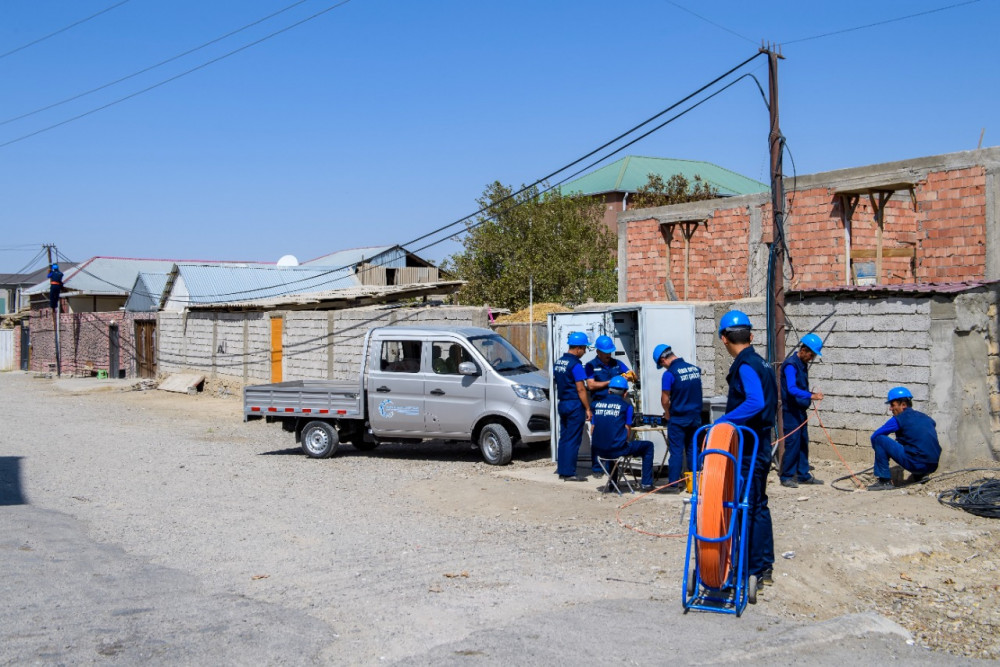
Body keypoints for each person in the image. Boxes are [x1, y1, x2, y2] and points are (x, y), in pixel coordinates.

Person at [716, 310, 777, 590]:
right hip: (761, 442)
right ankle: (763, 565)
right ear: (751, 335)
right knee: (758, 505)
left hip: (750, 447)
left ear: (723, 338)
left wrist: (723, 421)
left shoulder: (745, 365)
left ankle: (747, 571)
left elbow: (755, 403)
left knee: (745, 507)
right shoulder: (762, 362)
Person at [867, 386, 941, 491]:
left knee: (880, 440)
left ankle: (884, 481)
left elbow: (874, 437)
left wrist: (881, 455)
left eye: (893, 405)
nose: (890, 409)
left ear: (903, 405)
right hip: (933, 466)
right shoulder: (926, 418)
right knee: (914, 446)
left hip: (916, 464)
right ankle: (921, 476)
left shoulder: (898, 419)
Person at [591, 376, 655, 492]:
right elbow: (627, 429)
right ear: (625, 393)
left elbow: (593, 429)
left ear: (609, 391)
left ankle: (612, 484)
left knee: (612, 442)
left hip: (598, 450)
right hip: (616, 449)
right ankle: (646, 484)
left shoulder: (597, 405)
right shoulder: (626, 407)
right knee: (648, 446)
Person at [654, 343, 702, 493]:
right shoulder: (694, 369)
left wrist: (667, 413)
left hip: (678, 418)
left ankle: (674, 484)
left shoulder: (669, 374)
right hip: (695, 417)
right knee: (693, 450)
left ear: (663, 360)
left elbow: (665, 399)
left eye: (661, 365)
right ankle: (695, 484)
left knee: (676, 451)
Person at [778, 333, 825, 488]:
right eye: (811, 355)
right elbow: (791, 389)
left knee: (803, 441)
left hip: (800, 410)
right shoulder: (791, 365)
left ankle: (803, 474)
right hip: (791, 412)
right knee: (793, 443)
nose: (811, 358)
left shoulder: (802, 364)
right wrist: (811, 395)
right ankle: (787, 476)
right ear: (804, 350)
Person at [585, 335, 633, 476]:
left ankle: (611, 467)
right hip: (599, 405)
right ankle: (597, 467)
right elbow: (591, 385)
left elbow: (630, 374)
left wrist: (631, 376)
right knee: (597, 433)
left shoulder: (617, 364)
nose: (608, 355)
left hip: (617, 406)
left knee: (615, 433)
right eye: (605, 352)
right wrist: (612, 381)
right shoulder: (591, 366)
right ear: (598, 352)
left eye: (610, 352)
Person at [553, 331, 592, 482]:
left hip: (563, 402)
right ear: (578, 348)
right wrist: (588, 408)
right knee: (573, 440)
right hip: (575, 404)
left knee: (564, 438)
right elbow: (581, 389)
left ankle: (562, 469)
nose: (584, 352)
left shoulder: (559, 362)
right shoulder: (576, 365)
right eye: (584, 348)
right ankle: (569, 473)